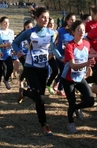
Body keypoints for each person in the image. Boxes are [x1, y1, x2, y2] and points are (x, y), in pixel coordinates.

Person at [12, 7, 62, 136]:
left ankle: (25, 92)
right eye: (43, 17)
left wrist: (62, 58)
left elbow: (53, 48)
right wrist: (18, 52)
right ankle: (44, 124)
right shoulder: (30, 32)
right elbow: (15, 42)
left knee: (40, 96)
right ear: (36, 18)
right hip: (30, 67)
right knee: (40, 98)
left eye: (47, 17)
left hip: (44, 68)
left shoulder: (51, 33)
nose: (45, 20)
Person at [62, 20, 97, 133]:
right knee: (71, 102)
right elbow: (72, 65)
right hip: (68, 79)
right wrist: (87, 64)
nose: (82, 32)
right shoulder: (69, 46)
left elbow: (87, 54)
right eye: (79, 30)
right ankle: (70, 123)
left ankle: (76, 108)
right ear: (73, 32)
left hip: (80, 78)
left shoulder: (86, 43)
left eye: (83, 30)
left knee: (90, 101)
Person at [52, 13, 76, 96]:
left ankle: (57, 84)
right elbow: (53, 43)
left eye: (74, 20)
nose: (73, 21)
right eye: (71, 20)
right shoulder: (60, 31)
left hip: (70, 56)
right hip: (61, 56)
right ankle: (60, 88)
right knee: (63, 71)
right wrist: (57, 55)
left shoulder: (75, 31)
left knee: (67, 72)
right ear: (67, 20)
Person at [0, 16, 15, 96]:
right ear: (1, 23)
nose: (6, 24)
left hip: (8, 54)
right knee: (0, 72)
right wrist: (3, 45)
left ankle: (6, 80)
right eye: (5, 22)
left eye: (8, 22)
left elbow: (12, 43)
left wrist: (13, 50)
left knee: (11, 68)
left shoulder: (11, 32)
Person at [15, 19, 34, 92]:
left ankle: (22, 79)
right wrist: (16, 51)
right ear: (24, 27)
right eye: (28, 27)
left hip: (29, 54)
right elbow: (15, 43)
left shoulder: (33, 35)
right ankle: (28, 84)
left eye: (31, 27)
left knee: (28, 69)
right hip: (21, 54)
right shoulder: (21, 35)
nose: (29, 28)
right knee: (27, 67)